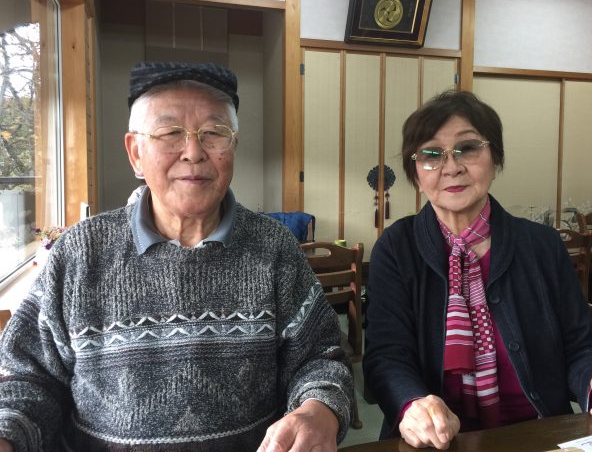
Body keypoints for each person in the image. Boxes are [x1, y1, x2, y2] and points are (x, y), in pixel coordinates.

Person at [0, 62, 353, 451]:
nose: (194, 152)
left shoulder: (274, 248)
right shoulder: (79, 253)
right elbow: (25, 378)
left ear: (233, 146)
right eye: (170, 133)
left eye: (214, 133)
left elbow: (321, 357)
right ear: (136, 153)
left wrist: (319, 409)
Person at [363, 90, 592, 450]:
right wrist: (411, 404)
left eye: (467, 148)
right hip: (438, 444)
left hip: (540, 435)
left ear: (495, 158)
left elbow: (580, 345)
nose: (451, 167)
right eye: (431, 154)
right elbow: (386, 356)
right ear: (416, 173)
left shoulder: (542, 245)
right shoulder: (397, 247)